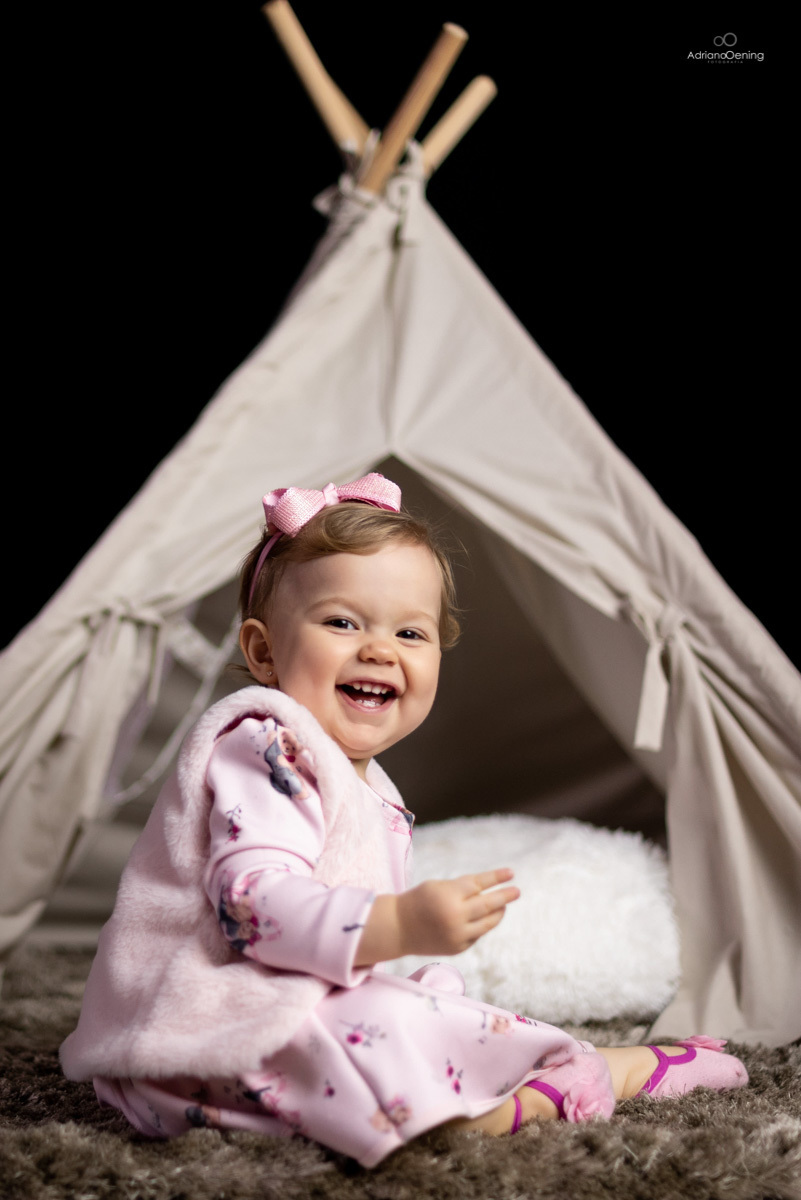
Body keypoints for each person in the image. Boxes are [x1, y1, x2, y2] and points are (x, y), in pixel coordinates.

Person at [60, 473, 748, 1167]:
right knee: (387, 1026)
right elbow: (249, 907)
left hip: (271, 1019)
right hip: (197, 1038)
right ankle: (544, 1095)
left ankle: (581, 1068)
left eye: (410, 632)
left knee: (429, 1009)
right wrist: (395, 926)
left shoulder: (360, 778)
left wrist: (395, 951)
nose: (379, 649)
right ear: (264, 651)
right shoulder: (265, 747)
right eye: (342, 622)